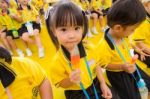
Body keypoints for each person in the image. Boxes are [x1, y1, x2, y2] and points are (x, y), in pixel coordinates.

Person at [46, 1, 112, 99]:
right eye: (64, 29)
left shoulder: (90, 48)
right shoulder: (57, 61)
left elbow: (96, 65)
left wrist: (103, 83)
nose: (72, 36)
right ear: (53, 31)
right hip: (76, 92)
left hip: (95, 83)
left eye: (77, 28)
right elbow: (60, 83)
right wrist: (70, 80)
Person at [96, 0, 149, 98]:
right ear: (118, 28)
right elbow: (104, 64)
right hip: (118, 74)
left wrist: (136, 49)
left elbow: (129, 43)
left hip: (129, 64)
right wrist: (121, 67)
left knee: (147, 82)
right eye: (132, 30)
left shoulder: (123, 35)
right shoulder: (103, 46)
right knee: (131, 96)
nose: (133, 32)